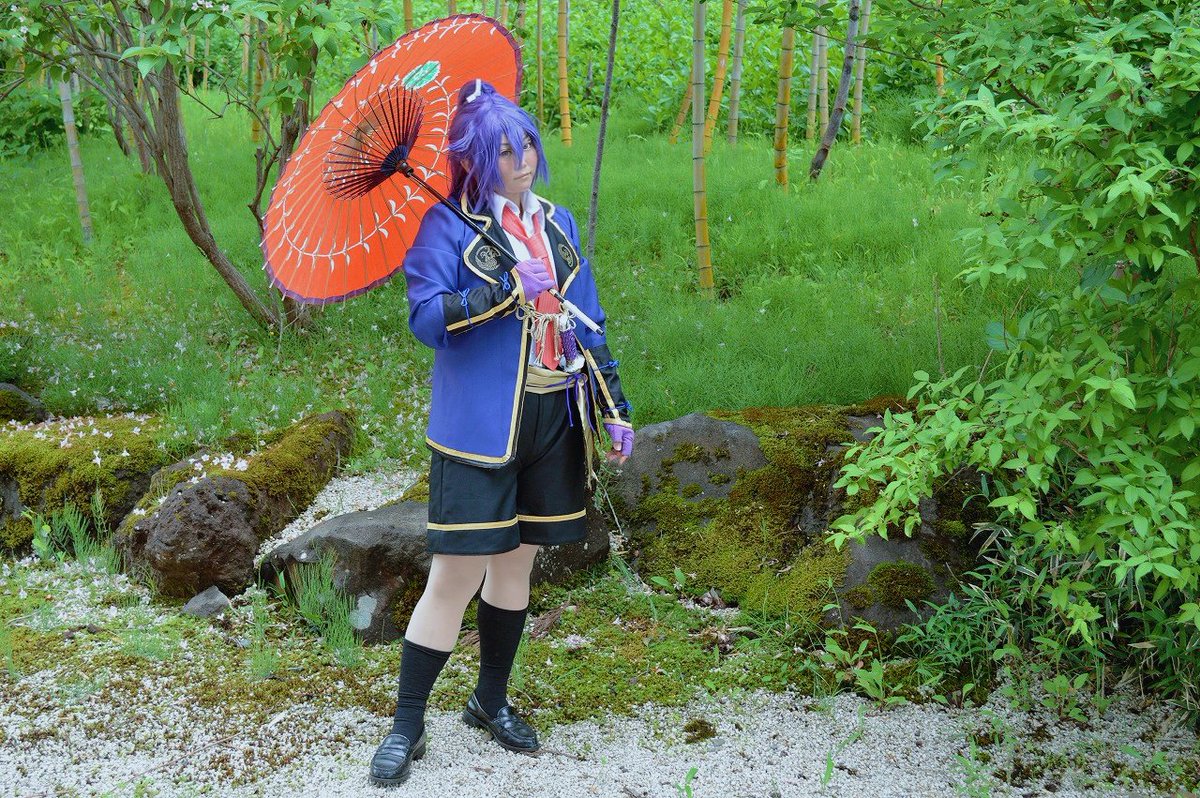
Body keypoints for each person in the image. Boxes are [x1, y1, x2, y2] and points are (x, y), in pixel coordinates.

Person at [368, 79, 634, 788]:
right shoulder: (447, 227)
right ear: (475, 160)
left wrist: (614, 405)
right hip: (480, 428)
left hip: (553, 417)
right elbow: (427, 319)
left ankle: (489, 700)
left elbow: (589, 320)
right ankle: (407, 724)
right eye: (504, 151)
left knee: (516, 566)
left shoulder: (558, 223)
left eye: (527, 145)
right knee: (455, 574)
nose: (522, 160)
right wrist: (505, 289)